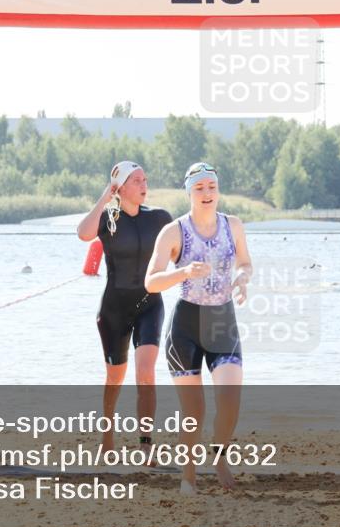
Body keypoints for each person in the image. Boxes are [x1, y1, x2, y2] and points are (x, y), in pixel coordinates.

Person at [145, 162, 253, 494]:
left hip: (222, 321)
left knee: (230, 400)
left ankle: (219, 456)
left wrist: (242, 279)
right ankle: (188, 476)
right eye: (199, 188)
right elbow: (151, 282)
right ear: (189, 192)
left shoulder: (232, 225)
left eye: (212, 187)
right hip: (186, 327)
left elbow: (246, 263)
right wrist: (184, 272)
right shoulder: (174, 232)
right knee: (194, 411)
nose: (207, 193)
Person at [77, 161, 172, 456]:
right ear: (121, 187)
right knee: (115, 376)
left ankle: (145, 445)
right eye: (136, 181)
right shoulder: (108, 218)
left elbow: (180, 246)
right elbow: (83, 233)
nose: (144, 185)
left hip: (149, 304)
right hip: (114, 310)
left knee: (146, 372)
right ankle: (107, 433)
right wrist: (106, 197)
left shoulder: (159, 218)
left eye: (145, 179)